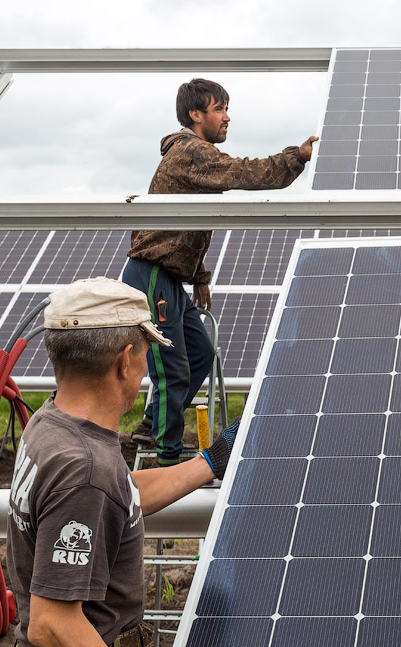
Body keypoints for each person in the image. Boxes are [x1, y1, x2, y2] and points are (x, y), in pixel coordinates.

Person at [4, 277, 241, 647]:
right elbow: (53, 624)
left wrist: (207, 463)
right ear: (124, 360)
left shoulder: (53, 425)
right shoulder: (84, 469)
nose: (144, 372)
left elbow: (118, 496)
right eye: (144, 356)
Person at [124, 77, 318, 464]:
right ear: (196, 115)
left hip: (171, 279)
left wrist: (198, 278)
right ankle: (166, 456)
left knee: (199, 354)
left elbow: (184, 224)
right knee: (173, 369)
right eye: (219, 109)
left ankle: (151, 425)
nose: (227, 117)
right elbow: (245, 173)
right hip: (151, 275)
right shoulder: (191, 150)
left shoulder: (195, 154)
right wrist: (296, 156)